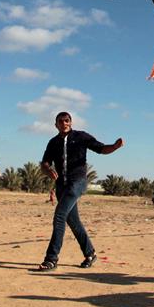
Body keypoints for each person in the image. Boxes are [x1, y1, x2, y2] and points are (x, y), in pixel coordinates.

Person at [34, 111, 124, 271]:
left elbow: (101, 148)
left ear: (71, 122)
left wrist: (115, 147)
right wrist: (48, 170)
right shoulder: (53, 142)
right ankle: (90, 253)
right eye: (60, 121)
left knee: (59, 216)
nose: (64, 123)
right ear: (56, 125)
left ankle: (51, 259)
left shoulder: (81, 137)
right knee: (73, 222)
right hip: (61, 185)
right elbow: (44, 163)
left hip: (78, 182)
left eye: (66, 120)